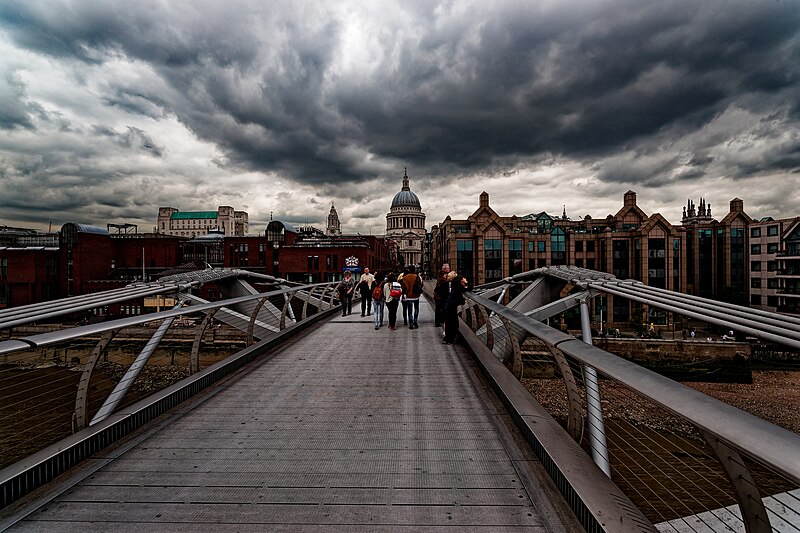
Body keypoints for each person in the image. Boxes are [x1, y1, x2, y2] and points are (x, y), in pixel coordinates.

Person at [443, 272, 470, 344]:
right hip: (452, 305)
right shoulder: (458, 284)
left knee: (448, 322)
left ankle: (447, 338)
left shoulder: (453, 283)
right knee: (453, 322)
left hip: (448, 304)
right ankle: (450, 339)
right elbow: (468, 288)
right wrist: (466, 283)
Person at [433, 263, 450, 327]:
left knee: (439, 309)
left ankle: (440, 321)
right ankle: (439, 322)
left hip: (440, 294)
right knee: (440, 309)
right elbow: (443, 283)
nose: (449, 269)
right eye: (448, 268)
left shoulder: (442, 275)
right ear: (444, 269)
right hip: (440, 295)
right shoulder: (443, 276)